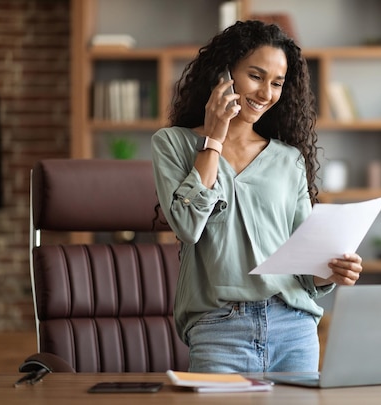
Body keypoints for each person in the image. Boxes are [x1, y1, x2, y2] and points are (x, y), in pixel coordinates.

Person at [151, 20, 363, 374]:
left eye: (277, 83)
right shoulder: (173, 144)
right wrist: (214, 140)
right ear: (223, 74)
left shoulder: (288, 158)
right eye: (256, 76)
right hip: (219, 330)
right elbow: (188, 225)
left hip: (293, 327)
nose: (266, 92)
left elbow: (304, 269)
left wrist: (333, 271)